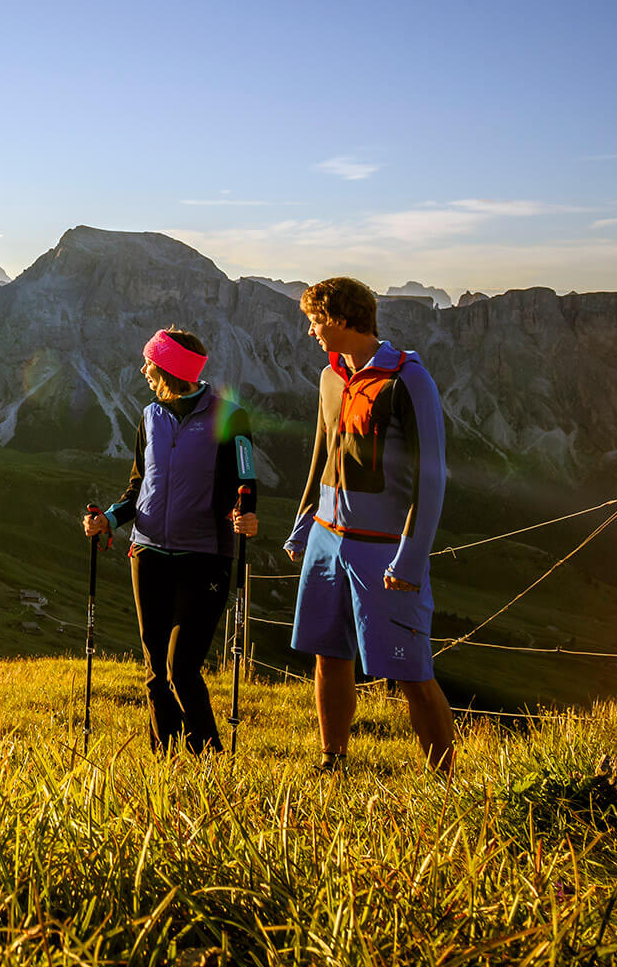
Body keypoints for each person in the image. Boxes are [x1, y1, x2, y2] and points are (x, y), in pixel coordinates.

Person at [284, 276, 457, 774]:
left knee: (411, 670)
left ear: (340, 319)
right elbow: (322, 455)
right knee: (327, 653)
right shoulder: (329, 378)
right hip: (325, 540)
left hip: (383, 550)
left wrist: (412, 556)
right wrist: (303, 526)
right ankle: (332, 761)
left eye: (316, 322)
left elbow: (433, 478)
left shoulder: (408, 379)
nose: (311, 332)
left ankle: (444, 783)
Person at [82, 327, 259, 754]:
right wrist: (108, 519)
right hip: (147, 553)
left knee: (181, 669)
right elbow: (139, 485)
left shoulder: (231, 417)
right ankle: (166, 760)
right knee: (154, 671)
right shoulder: (149, 416)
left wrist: (246, 513)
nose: (143, 370)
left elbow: (246, 479)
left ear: (169, 369)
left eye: (149, 363)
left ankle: (208, 759)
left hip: (205, 556)